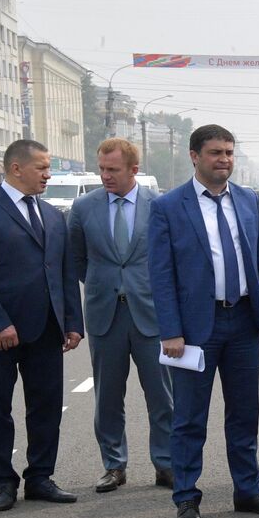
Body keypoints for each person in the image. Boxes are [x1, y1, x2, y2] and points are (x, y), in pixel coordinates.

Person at [149, 124, 259, 518]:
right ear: (194, 156)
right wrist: (170, 330)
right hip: (193, 329)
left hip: (242, 321)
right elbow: (161, 274)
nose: (224, 159)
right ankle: (186, 495)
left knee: (244, 413)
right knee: (189, 416)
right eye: (216, 153)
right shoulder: (169, 206)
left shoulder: (248, 200)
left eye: (229, 152)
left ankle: (248, 489)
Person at [0, 139, 84, 510]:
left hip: (46, 328)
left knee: (46, 406)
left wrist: (73, 321)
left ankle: (40, 477)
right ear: (15, 168)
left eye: (48, 166)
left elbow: (65, 272)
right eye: (41, 167)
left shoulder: (53, 214)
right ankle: (3, 482)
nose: (48, 174)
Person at [68, 137, 174, 492]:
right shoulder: (83, 208)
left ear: (133, 169)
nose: (105, 176)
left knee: (161, 396)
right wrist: (106, 285)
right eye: (101, 169)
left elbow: (168, 261)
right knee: (108, 397)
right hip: (105, 315)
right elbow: (78, 260)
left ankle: (166, 463)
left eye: (112, 170)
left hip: (150, 315)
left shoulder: (158, 205)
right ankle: (114, 465)